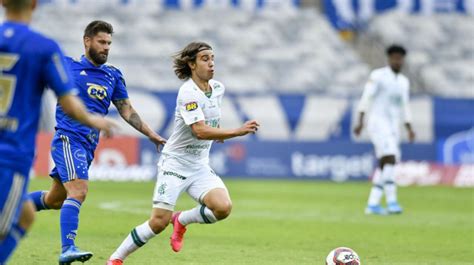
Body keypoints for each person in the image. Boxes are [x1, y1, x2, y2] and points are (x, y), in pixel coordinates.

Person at [107, 42, 260, 265]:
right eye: (205, 59)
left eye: (213, 58)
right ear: (191, 64)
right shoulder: (188, 93)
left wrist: (218, 133)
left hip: (199, 165)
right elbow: (198, 130)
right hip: (175, 164)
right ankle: (115, 259)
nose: (211, 63)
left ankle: (181, 220)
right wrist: (237, 131)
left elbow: (209, 121)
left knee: (222, 207)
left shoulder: (217, 88)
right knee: (158, 222)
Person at [27, 20, 167, 264]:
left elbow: (127, 110)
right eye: (102, 42)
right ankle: (67, 248)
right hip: (68, 139)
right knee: (79, 191)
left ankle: (12, 205)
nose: (106, 47)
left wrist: (151, 134)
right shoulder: (67, 67)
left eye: (109, 43)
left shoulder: (113, 74)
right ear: (87, 41)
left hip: (88, 145)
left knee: (55, 200)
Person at [0, 1, 116, 264]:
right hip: (10, 152)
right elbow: (67, 101)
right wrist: (94, 120)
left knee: (31, 211)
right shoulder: (43, 48)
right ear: (33, 4)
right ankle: (67, 248)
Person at [354, 44, 415, 215]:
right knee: (391, 158)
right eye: (394, 57)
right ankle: (392, 201)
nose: (397, 60)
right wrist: (360, 121)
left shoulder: (403, 81)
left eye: (400, 58)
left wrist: (409, 128)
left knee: (387, 164)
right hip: (378, 123)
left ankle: (373, 203)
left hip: (394, 127)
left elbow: (405, 107)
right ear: (389, 59)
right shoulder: (378, 76)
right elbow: (366, 98)